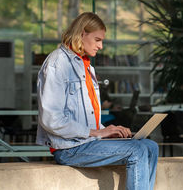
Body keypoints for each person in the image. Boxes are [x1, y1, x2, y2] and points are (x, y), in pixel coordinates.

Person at [36, 12, 159, 190]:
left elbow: (86, 119)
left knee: (150, 146)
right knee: (137, 150)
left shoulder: (85, 65)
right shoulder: (57, 63)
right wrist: (97, 133)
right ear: (82, 34)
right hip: (69, 148)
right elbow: (50, 120)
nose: (101, 46)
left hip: (86, 143)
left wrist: (109, 130)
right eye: (97, 40)